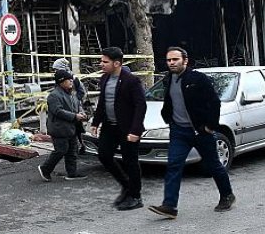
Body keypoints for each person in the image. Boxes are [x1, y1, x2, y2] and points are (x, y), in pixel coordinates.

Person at [149, 47, 235, 219]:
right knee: (173, 165)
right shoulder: (168, 79)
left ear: (185, 61)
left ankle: (227, 195)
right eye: (168, 60)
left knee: (213, 164)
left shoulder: (198, 79)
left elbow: (214, 103)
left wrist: (210, 126)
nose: (171, 63)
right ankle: (170, 206)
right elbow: (169, 102)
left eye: (175, 59)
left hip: (200, 131)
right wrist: (169, 119)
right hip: (179, 131)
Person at [90, 47, 146, 211]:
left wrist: (135, 131)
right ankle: (126, 186)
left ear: (116, 63)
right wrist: (95, 122)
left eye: (105, 62)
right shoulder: (104, 79)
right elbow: (102, 103)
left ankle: (136, 196)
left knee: (131, 162)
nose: (101, 64)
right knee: (104, 155)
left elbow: (140, 106)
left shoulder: (131, 81)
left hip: (128, 128)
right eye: (101, 61)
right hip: (109, 127)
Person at [37, 69, 88, 182]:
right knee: (61, 150)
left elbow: (77, 103)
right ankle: (45, 169)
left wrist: (81, 113)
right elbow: (58, 111)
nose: (71, 81)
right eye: (68, 80)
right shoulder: (54, 95)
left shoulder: (71, 94)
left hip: (71, 129)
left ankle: (72, 173)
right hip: (59, 129)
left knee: (72, 151)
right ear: (61, 82)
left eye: (71, 79)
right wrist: (75, 116)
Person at [52, 58, 87, 153]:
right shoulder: (60, 79)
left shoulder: (73, 79)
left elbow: (81, 91)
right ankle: (75, 146)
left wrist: (76, 100)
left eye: (56, 69)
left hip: (74, 106)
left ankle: (81, 145)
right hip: (66, 105)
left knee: (76, 126)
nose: (55, 71)